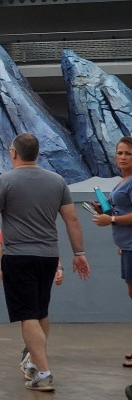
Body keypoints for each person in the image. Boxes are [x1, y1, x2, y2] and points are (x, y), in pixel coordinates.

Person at [0, 133, 91, 392]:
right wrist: (79, 252)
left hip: (18, 256)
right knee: (40, 312)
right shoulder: (57, 181)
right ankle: (33, 362)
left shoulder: (5, 181)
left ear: (14, 153)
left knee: (27, 315)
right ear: (37, 153)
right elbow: (72, 219)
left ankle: (43, 373)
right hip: (48, 257)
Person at [89, 136, 132, 365]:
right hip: (127, 246)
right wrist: (104, 210)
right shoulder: (123, 180)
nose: (123, 157)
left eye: (128, 154)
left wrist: (112, 219)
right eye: (120, 153)